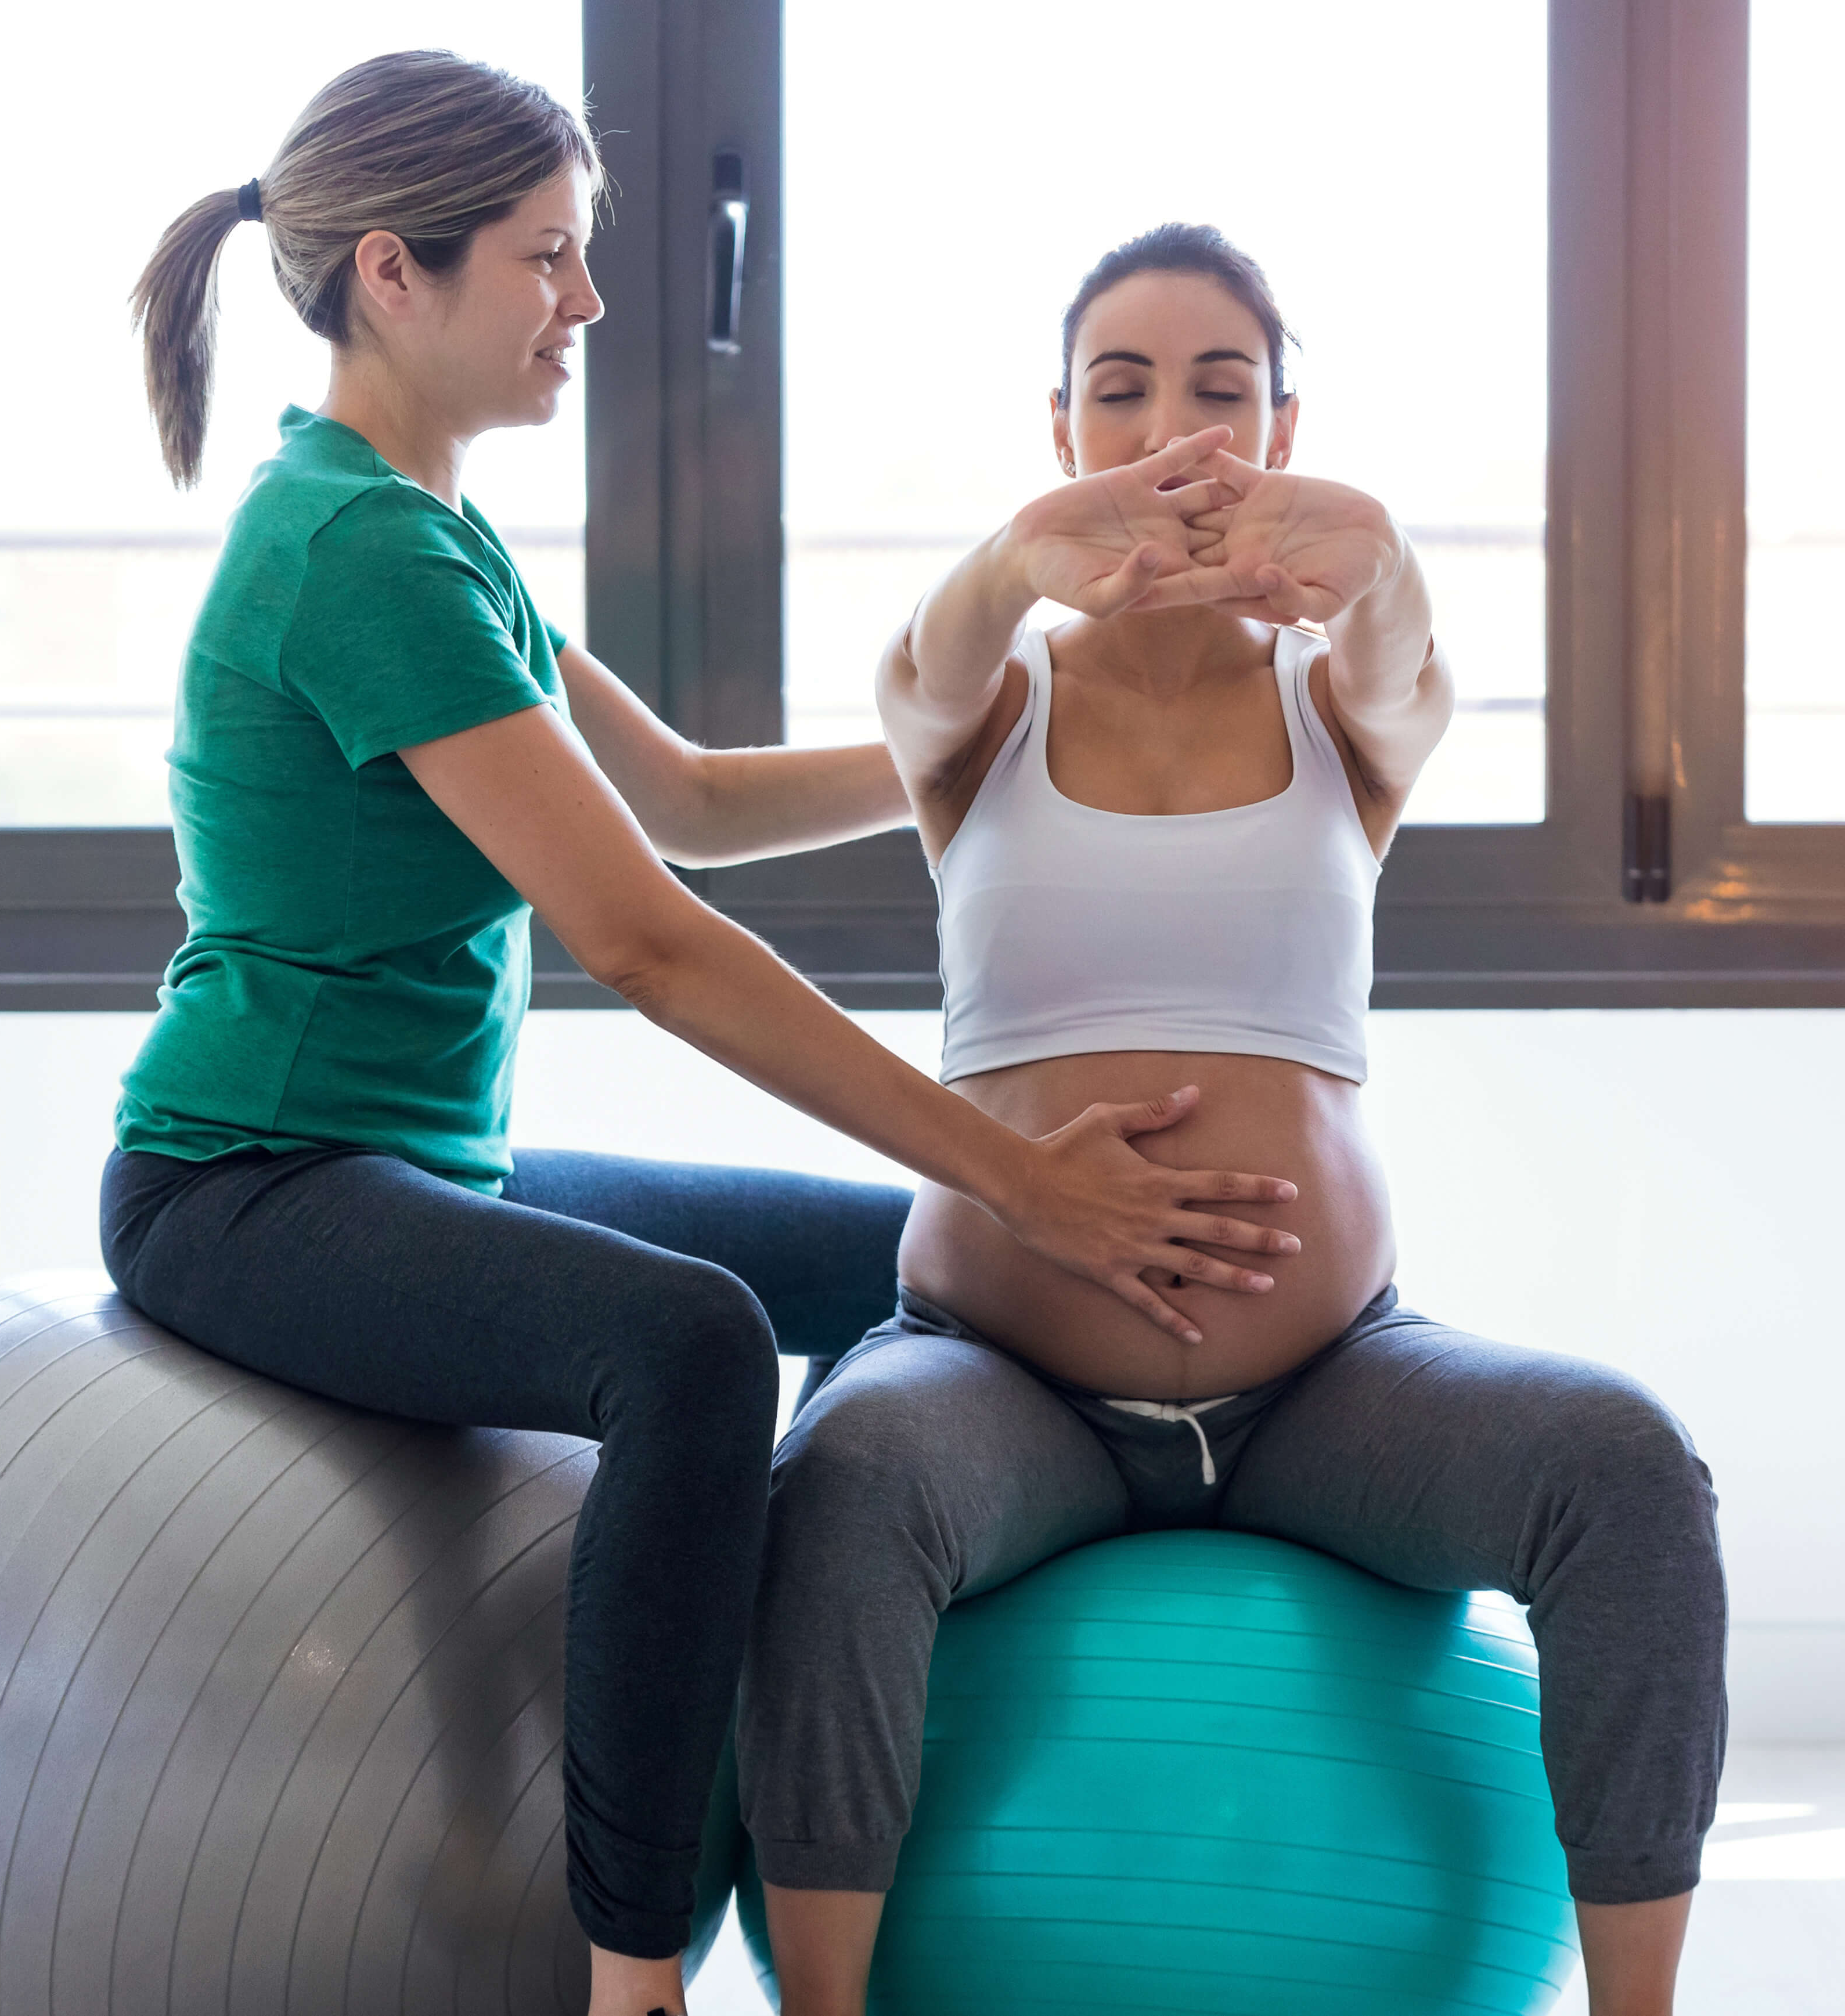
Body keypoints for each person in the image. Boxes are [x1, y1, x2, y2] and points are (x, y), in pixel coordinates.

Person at [96, 62, 1304, 2016]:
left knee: (893, 1258)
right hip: (247, 1185)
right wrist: (1009, 1168)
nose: (586, 303)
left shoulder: (433, 531)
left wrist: (1023, 727)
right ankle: (634, 1969)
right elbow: (646, 935)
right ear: (394, 276)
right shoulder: (357, 555)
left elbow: (692, 796)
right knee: (693, 1342)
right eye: (549, 259)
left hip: (414, 1166)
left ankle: (854, 1717)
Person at [734, 224, 1731, 2016]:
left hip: (1325, 1395)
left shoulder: (1337, 707)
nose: (1169, 432)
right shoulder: (986, 708)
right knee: (847, 1480)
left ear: (1279, 422)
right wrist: (1011, 565)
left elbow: (1412, 664)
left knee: (1626, 1467)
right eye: (1119, 392)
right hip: (1001, 1385)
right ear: (1059, 429)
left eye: (1218, 389)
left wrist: (1381, 559)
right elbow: (917, 675)